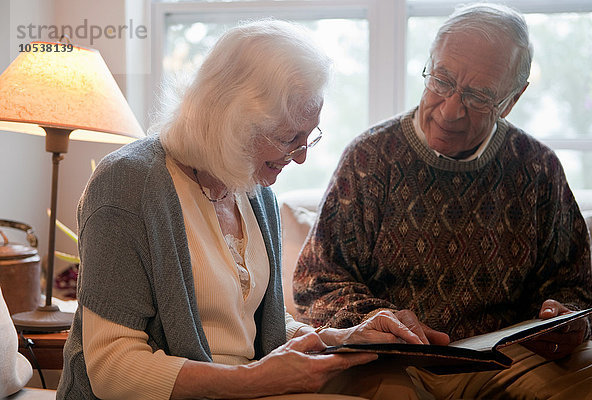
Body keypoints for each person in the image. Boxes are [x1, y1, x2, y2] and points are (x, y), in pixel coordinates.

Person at [56, 20, 434, 400]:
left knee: (399, 386)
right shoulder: (128, 184)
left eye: (309, 137)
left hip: (246, 386)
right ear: (233, 122)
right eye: (289, 139)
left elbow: (257, 327)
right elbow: (112, 369)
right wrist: (255, 380)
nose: (301, 158)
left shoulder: (253, 189)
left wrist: (340, 337)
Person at [294, 3, 592, 399]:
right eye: (441, 80)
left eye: (477, 96)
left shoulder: (538, 168)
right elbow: (316, 282)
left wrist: (566, 321)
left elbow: (572, 288)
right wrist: (375, 318)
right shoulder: (370, 158)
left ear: (511, 100)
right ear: (429, 64)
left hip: (509, 360)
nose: (450, 110)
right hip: (396, 361)